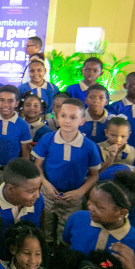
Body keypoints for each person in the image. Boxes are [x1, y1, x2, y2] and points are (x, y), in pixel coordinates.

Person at [32, 97, 102, 245]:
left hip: (73, 198)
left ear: (82, 121)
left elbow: (94, 175)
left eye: (73, 117)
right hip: (48, 194)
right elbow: (37, 166)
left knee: (65, 235)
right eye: (63, 116)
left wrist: (80, 192)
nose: (67, 121)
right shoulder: (47, 139)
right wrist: (46, 184)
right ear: (57, 116)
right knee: (45, 230)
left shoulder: (89, 147)